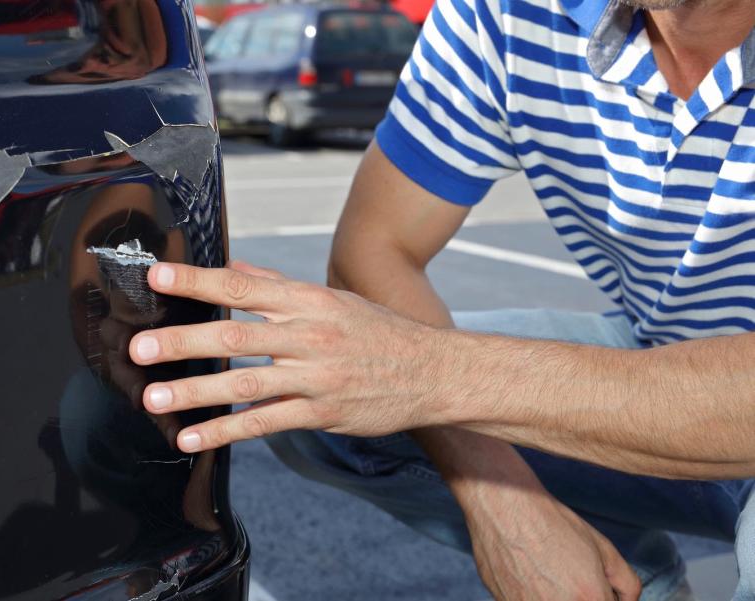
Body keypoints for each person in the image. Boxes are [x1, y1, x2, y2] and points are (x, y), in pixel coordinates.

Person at [127, 0, 755, 599]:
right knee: (313, 389)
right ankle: (631, 584)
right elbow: (376, 248)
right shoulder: (510, 13)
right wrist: (508, 503)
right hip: (666, 354)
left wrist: (428, 374)